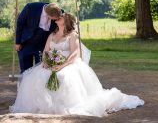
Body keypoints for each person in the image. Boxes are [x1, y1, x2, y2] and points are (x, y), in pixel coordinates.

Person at [10, 12, 144, 117]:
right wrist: (46, 61)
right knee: (35, 76)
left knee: (63, 76)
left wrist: (62, 65)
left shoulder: (72, 35)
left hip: (69, 63)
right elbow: (46, 50)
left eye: (60, 17)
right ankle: (43, 105)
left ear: (66, 20)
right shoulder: (52, 34)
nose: (56, 18)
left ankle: (63, 105)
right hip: (52, 62)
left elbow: (74, 53)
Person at [15, 2, 62, 73]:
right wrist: (17, 42)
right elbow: (20, 23)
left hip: (42, 45)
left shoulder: (58, 12)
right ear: (48, 15)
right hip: (26, 43)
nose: (55, 21)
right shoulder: (30, 7)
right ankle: (25, 84)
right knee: (25, 70)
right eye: (54, 19)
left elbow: (66, 21)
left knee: (41, 69)